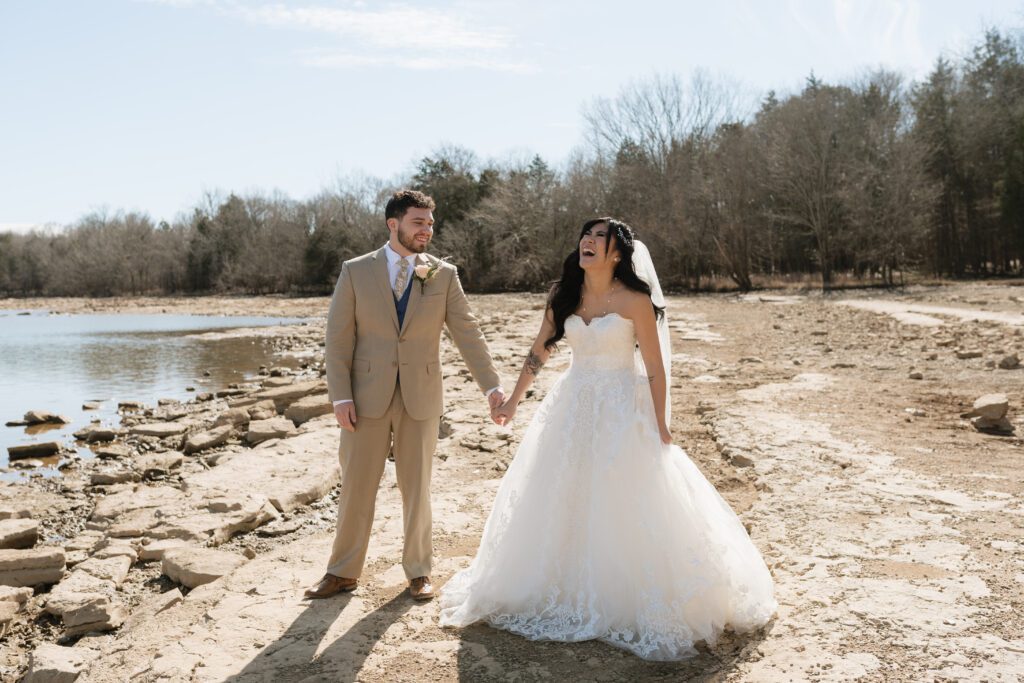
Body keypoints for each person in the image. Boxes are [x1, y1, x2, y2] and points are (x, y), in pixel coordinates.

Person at [438, 218, 777, 660]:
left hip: (621, 408)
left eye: (599, 237)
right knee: (564, 491)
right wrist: (513, 403)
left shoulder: (636, 301)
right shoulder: (564, 295)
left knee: (624, 497)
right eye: (586, 235)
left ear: (618, 252)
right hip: (572, 406)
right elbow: (539, 351)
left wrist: (660, 423)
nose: (588, 241)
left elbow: (655, 368)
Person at [305, 189, 505, 602]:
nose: (427, 230)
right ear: (393, 224)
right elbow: (338, 340)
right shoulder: (355, 271)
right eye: (419, 222)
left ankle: (419, 571)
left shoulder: (443, 274)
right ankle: (342, 572)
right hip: (364, 399)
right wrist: (340, 396)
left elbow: (468, 332)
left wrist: (491, 386)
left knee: (417, 488)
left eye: (431, 223)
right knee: (357, 487)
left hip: (421, 397)